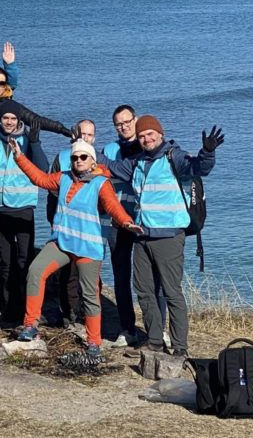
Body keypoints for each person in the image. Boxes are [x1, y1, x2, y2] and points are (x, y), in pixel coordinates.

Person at [12, 139, 142, 361]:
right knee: (35, 271)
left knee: (90, 295)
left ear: (92, 161)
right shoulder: (63, 178)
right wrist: (19, 157)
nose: (78, 161)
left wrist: (126, 222)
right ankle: (30, 325)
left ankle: (94, 343)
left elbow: (112, 206)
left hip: (87, 248)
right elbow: (40, 179)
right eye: (75, 157)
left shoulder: (101, 183)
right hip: (62, 242)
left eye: (83, 157)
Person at [102, 116, 222, 356]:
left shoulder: (174, 157)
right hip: (142, 235)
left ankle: (180, 347)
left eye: (150, 134)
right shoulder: (137, 162)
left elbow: (199, 168)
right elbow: (111, 167)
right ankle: (154, 340)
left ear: (160, 134)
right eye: (142, 135)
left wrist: (207, 152)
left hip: (168, 236)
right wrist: (83, 143)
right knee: (144, 291)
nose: (146, 139)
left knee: (171, 291)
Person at [0, 102, 63, 325]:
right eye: (4, 118)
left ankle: (29, 310)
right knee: (6, 262)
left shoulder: (28, 139)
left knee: (24, 260)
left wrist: (35, 143)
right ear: (0, 118)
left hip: (23, 209)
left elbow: (42, 168)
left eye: (12, 118)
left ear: (19, 120)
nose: (8, 122)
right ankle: (10, 309)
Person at [47, 119, 96, 326]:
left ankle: (86, 314)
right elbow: (51, 189)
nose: (85, 138)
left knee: (87, 274)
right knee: (67, 273)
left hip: (88, 229)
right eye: (81, 134)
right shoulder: (62, 158)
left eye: (89, 135)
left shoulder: (96, 162)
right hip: (65, 226)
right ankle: (69, 313)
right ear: (74, 135)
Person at [101, 105, 143, 346]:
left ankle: (156, 329)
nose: (124, 126)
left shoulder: (148, 144)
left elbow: (127, 174)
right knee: (121, 276)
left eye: (127, 121)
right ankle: (127, 328)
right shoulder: (110, 149)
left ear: (135, 120)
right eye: (119, 123)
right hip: (117, 222)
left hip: (143, 220)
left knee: (149, 278)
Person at [0, 67, 71, 136]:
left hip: (4, 151)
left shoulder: (11, 106)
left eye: (1, 83)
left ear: (6, 86)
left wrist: (61, 129)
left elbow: (36, 120)